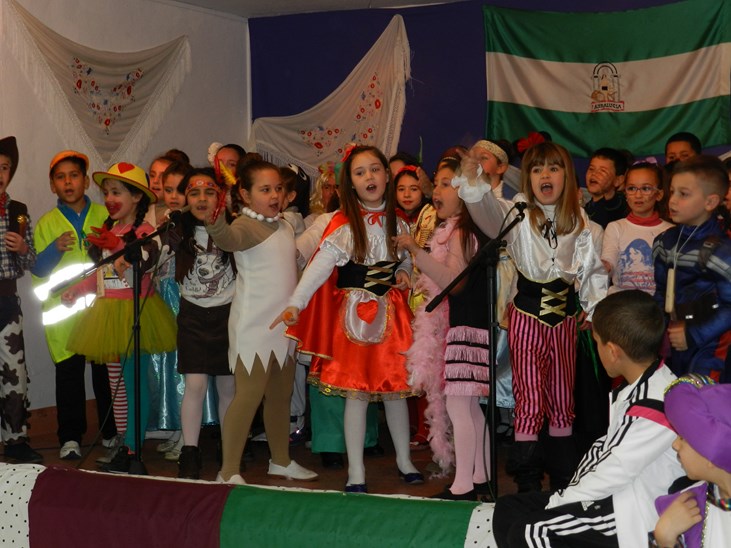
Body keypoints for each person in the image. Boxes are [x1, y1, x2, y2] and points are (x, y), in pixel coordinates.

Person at [454, 140, 608, 492]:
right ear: (528, 177)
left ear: (566, 175)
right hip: (526, 316)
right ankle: (527, 483)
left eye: (553, 168)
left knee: (562, 397)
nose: (545, 176)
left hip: (564, 320)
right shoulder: (518, 213)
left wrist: (594, 308)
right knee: (530, 397)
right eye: (537, 169)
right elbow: (485, 212)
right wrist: (473, 179)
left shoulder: (578, 219)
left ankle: (563, 479)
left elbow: (591, 269)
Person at [275, 144, 421, 493]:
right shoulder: (342, 224)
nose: (369, 176)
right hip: (354, 319)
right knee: (356, 394)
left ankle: (404, 460)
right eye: (360, 172)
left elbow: (404, 258)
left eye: (375, 169)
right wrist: (296, 303)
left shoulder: (399, 221)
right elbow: (319, 267)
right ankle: (356, 470)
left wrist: (404, 271)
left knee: (396, 393)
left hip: (392, 318)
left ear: (387, 176)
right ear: (350, 183)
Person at [493, 290, 684, 547]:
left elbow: (614, 470)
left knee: (530, 532)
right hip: (617, 495)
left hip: (633, 513)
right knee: (508, 509)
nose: (597, 348)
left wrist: (559, 503)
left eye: (597, 342)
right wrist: (566, 494)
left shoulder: (655, 402)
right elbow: (601, 451)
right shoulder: (637, 386)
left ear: (613, 351)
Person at [207, 157, 317, 485]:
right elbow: (226, 239)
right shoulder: (245, 226)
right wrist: (215, 217)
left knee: (280, 397)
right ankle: (228, 471)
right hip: (254, 327)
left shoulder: (284, 225)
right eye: (265, 190)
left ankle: (280, 460)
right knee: (248, 397)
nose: (274, 195)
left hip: (283, 326)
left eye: (278, 189)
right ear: (244, 194)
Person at [63, 162, 177, 473]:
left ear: (137, 197)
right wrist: (78, 289)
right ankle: (123, 442)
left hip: (134, 313)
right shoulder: (110, 231)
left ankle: (132, 447)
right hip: (107, 312)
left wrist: (118, 246)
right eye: (107, 193)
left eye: (117, 192)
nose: (110, 199)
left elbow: (141, 269)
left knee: (133, 383)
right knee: (116, 385)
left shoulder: (144, 233)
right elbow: (102, 274)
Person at [396, 155, 491, 501]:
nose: (436, 191)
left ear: (465, 192)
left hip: (466, 329)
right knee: (470, 407)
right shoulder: (457, 230)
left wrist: (416, 252)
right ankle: (480, 476)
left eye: (446, 184)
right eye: (435, 184)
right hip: (468, 326)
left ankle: (463, 485)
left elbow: (455, 281)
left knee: (459, 407)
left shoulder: (462, 233)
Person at [32, 150, 117, 460]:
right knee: (68, 377)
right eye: (60, 177)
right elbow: (38, 271)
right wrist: (54, 250)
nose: (68, 182)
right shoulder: (46, 224)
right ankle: (70, 437)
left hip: (101, 311)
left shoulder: (105, 216)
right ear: (52, 185)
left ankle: (111, 432)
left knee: (106, 375)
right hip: (64, 315)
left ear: (85, 181)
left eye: (74, 175)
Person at [166, 168, 236, 479]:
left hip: (228, 314)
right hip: (193, 315)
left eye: (209, 192)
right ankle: (190, 451)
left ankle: (229, 447)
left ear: (221, 197)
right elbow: (154, 259)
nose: (202, 199)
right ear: (186, 199)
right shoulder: (177, 230)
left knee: (228, 386)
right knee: (194, 385)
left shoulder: (233, 227)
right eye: (194, 193)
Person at [652, 155, 731, 380]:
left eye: (684, 194)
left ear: (710, 202)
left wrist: (694, 334)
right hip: (672, 340)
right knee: (670, 391)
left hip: (712, 344)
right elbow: (660, 292)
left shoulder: (722, 252)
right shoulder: (664, 242)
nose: (673, 200)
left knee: (698, 395)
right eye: (672, 191)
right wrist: (655, 329)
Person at [0, 136, 42, 464]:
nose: (0, 174)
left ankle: (16, 440)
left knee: (14, 372)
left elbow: (32, 262)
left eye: (5, 168)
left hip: (7, 302)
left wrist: (24, 249)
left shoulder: (18, 212)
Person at [651, 375, 731, 548]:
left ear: (712, 454)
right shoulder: (691, 503)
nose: (675, 445)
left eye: (683, 438)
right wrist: (665, 539)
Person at [148, 160, 191, 461]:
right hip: (164, 295)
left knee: (183, 366)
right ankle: (177, 427)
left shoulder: (188, 223)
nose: (173, 196)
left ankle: (188, 435)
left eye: (179, 190)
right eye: (168, 189)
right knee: (168, 364)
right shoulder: (166, 220)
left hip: (182, 296)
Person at [601, 160, 673, 295]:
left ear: (659, 194)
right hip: (620, 302)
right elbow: (609, 259)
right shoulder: (616, 227)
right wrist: (601, 266)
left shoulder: (671, 231)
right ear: (625, 193)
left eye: (646, 188)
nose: (638, 195)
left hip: (655, 304)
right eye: (632, 188)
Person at [584, 147, 630, 229]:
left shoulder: (624, 210)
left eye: (603, 171)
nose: (594, 174)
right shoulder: (584, 210)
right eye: (591, 169)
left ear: (618, 180)